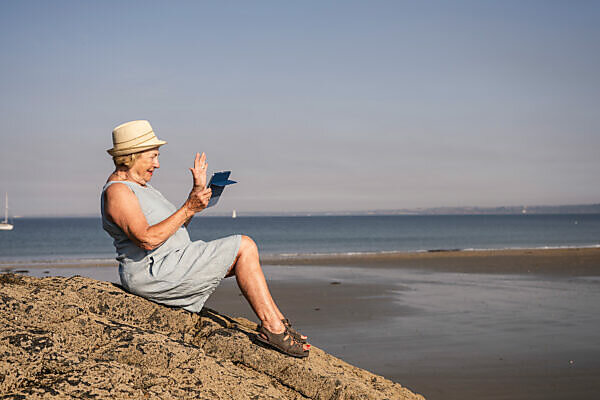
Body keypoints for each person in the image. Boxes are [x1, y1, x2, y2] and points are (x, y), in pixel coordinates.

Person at [101, 120, 309, 358]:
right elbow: (146, 239)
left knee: (243, 256)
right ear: (131, 155)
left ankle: (278, 322)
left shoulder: (142, 188)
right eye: (152, 156)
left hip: (172, 261)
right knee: (244, 245)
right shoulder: (117, 191)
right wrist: (188, 207)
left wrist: (194, 196)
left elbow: (172, 230)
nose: (157, 164)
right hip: (153, 272)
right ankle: (273, 327)